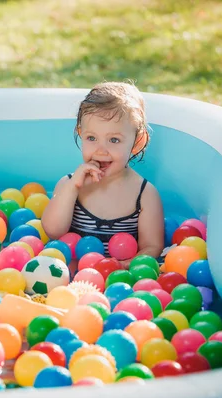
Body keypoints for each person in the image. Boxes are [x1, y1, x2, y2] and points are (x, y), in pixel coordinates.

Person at [42, 81, 164, 269]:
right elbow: (53, 232)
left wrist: (124, 266)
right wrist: (73, 187)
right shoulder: (69, 184)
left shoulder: (145, 194)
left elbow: (152, 246)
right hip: (74, 276)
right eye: (92, 138)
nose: (101, 150)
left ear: (137, 142)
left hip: (118, 281)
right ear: (81, 134)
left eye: (114, 140)